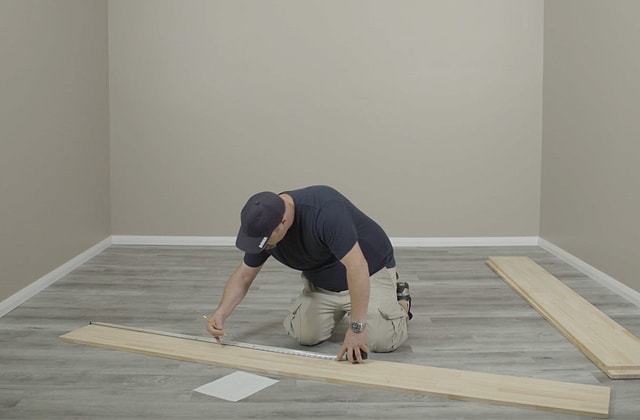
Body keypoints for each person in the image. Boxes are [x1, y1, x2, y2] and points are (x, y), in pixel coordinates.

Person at [206, 185, 412, 363]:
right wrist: (220, 314)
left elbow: (357, 267)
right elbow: (243, 276)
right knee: (305, 335)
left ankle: (401, 301)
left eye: (267, 242)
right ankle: (344, 309)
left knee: (383, 341)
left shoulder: (325, 210)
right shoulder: (264, 228)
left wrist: (357, 329)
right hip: (323, 284)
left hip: (369, 273)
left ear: (283, 222)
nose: (265, 247)